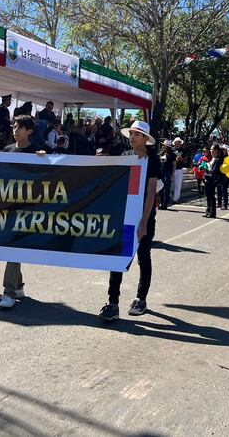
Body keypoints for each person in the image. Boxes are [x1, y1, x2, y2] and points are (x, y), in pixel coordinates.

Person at [99, 120, 160, 321]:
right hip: (124, 215)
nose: (133, 137)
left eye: (137, 134)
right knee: (117, 258)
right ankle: (113, 303)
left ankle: (141, 299)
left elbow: (151, 191)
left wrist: (143, 221)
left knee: (143, 256)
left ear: (146, 139)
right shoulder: (125, 156)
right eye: (131, 133)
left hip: (143, 216)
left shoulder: (153, 160)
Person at [0, 114, 46, 309]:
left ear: (29, 131)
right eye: (14, 127)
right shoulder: (7, 150)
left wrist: (44, 159)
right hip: (9, 207)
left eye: (20, 127)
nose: (15, 130)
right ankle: (18, 285)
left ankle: (9, 292)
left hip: (27, 209)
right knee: (14, 247)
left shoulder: (36, 152)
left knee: (13, 248)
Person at [204, 144, 223, 218]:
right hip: (207, 179)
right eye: (211, 150)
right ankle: (208, 211)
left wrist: (206, 170)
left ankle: (213, 213)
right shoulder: (212, 159)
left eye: (214, 150)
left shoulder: (218, 160)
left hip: (213, 180)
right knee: (208, 196)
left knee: (211, 196)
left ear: (217, 151)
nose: (212, 151)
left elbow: (214, 170)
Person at [159, 140, 176, 209]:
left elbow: (174, 165)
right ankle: (161, 203)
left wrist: (172, 174)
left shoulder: (172, 154)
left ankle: (165, 204)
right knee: (161, 188)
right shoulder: (161, 153)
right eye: (164, 145)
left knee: (167, 188)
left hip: (168, 172)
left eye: (166, 146)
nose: (164, 147)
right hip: (161, 172)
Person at [171, 137, 186, 204]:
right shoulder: (171, 150)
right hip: (171, 169)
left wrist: (181, 159)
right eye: (177, 142)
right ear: (174, 143)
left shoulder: (183, 151)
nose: (178, 143)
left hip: (179, 169)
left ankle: (176, 198)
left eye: (179, 142)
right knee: (170, 184)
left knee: (178, 184)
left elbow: (185, 160)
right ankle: (168, 197)